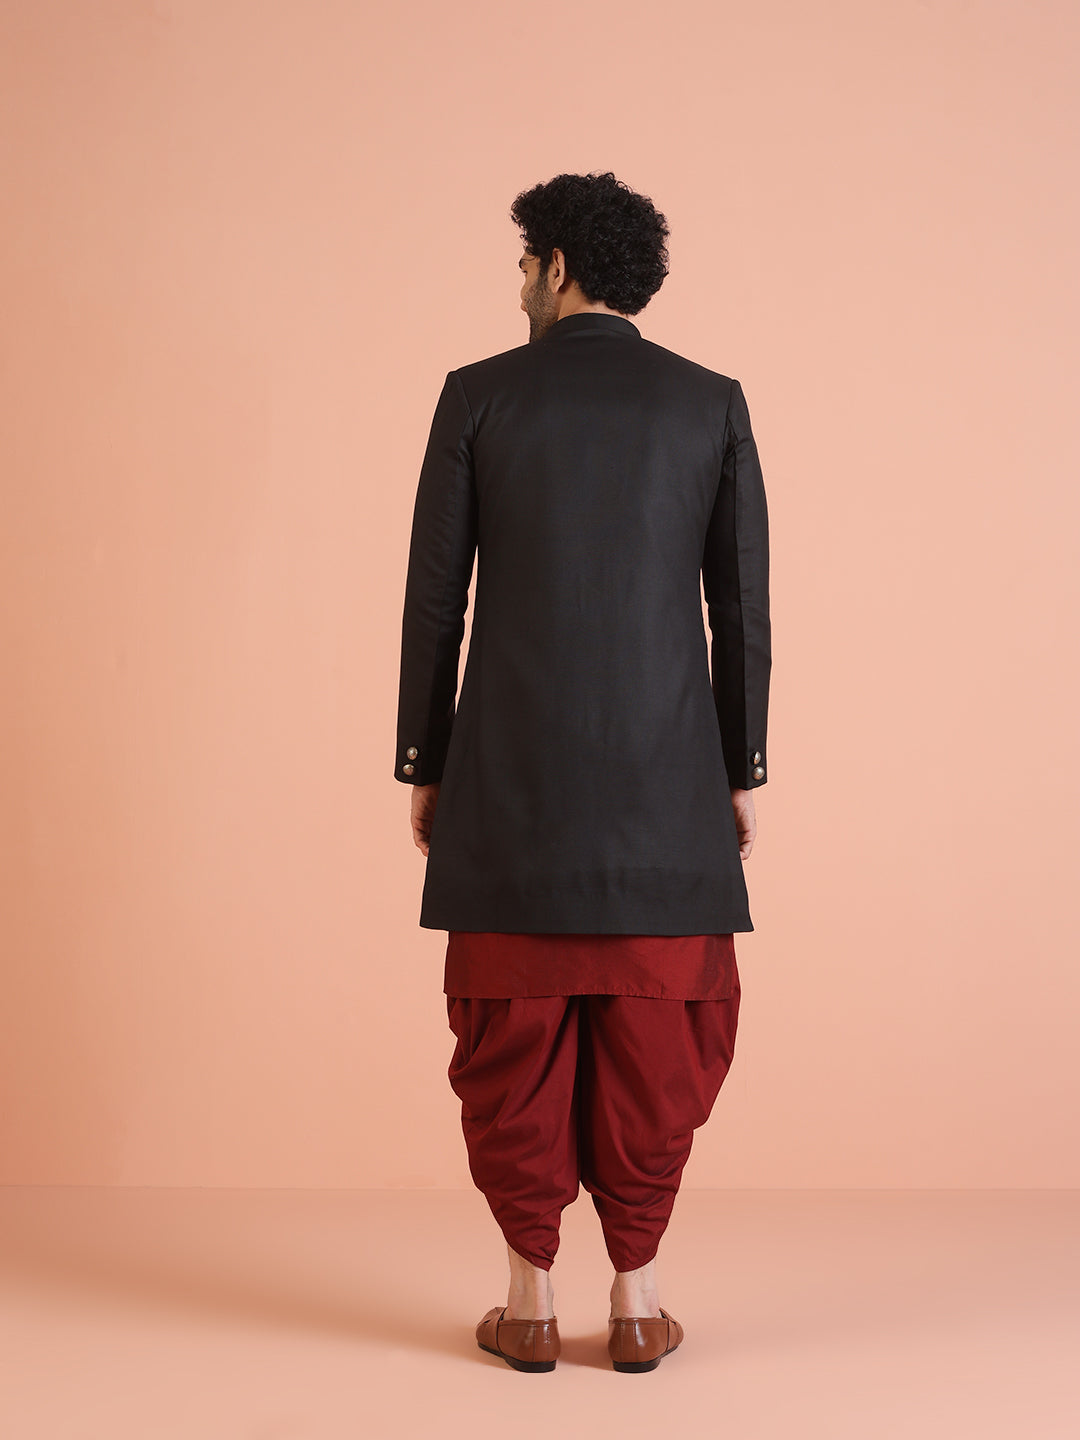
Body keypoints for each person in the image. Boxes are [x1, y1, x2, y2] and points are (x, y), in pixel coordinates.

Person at [394, 171, 771, 1373]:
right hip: (669, 792)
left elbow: (436, 603)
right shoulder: (710, 403)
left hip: (510, 786)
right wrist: (741, 769)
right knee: (659, 1049)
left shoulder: (478, 396)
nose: (519, 286)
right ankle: (639, 1302)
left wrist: (424, 761)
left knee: (510, 1040)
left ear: (556, 267)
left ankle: (529, 1305)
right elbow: (740, 610)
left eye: (524, 265)